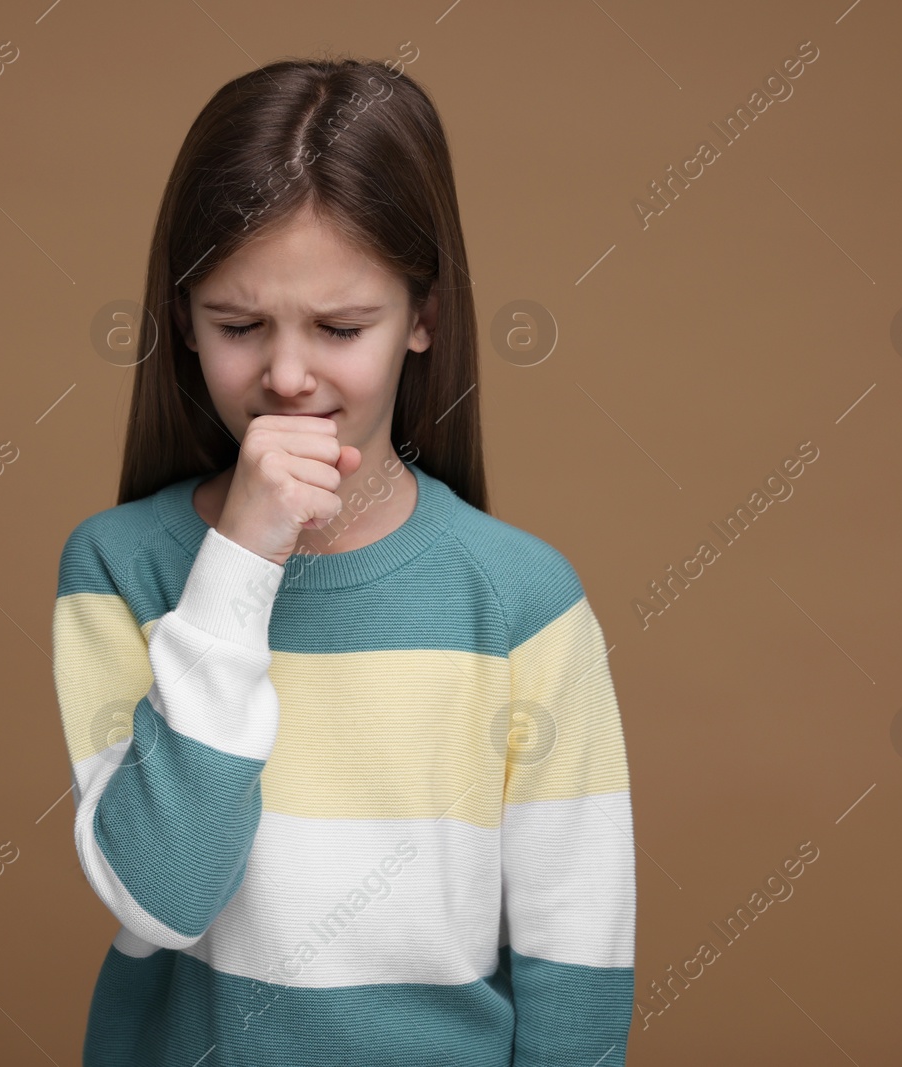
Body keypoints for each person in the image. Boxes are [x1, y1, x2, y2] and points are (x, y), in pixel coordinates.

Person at [52, 53, 635, 1067]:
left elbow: (575, 954)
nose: (285, 376)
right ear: (183, 323)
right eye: (238, 326)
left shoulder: (524, 602)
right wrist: (237, 559)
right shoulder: (119, 569)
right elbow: (164, 890)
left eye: (339, 327)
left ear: (426, 319)